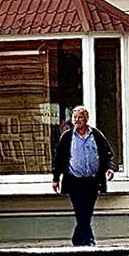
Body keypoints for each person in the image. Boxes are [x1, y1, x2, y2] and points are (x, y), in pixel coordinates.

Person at [51, 106, 115, 247]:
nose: (76, 120)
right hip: (74, 180)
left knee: (87, 212)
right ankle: (89, 240)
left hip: (92, 181)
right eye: (74, 117)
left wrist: (109, 168)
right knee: (80, 210)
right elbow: (59, 159)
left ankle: (77, 238)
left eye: (80, 117)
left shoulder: (96, 135)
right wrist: (56, 178)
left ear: (86, 119)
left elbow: (107, 153)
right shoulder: (67, 136)